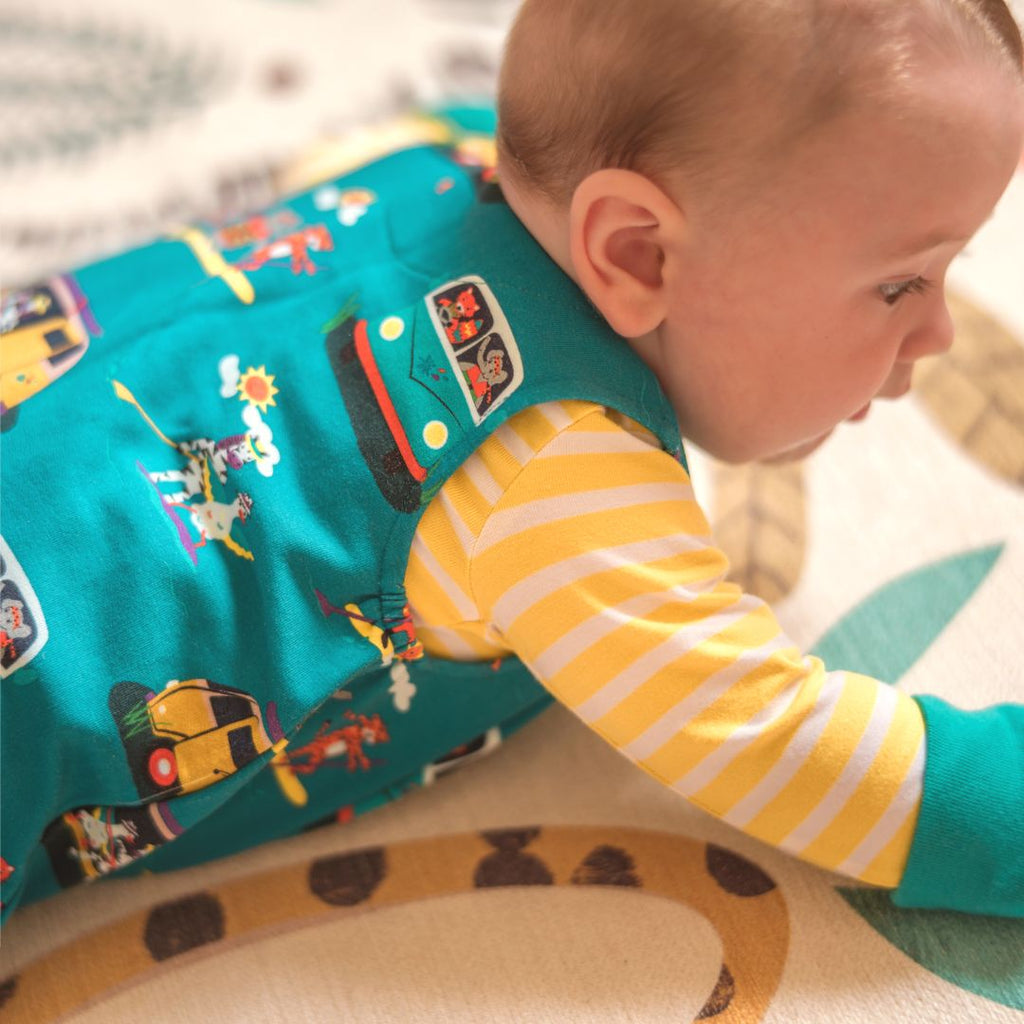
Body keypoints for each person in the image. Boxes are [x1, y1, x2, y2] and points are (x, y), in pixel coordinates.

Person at [1, 0, 1021, 921]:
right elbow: (789, 750)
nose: (938, 333)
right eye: (899, 284)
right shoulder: (565, 480)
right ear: (636, 254)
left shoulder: (436, 154)